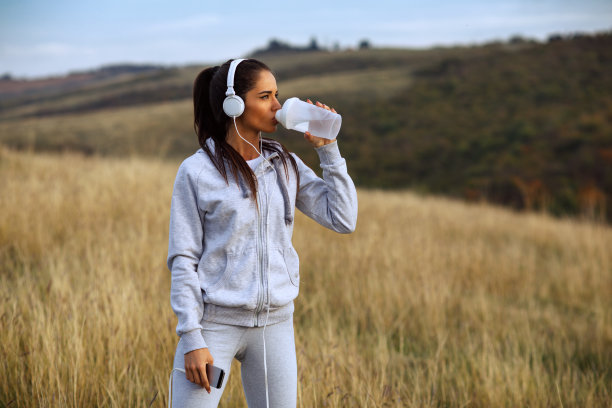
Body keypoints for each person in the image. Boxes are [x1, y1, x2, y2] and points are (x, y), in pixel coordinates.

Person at [167, 58, 358, 407]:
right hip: (214, 327)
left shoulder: (285, 164)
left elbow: (342, 219)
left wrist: (328, 149)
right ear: (234, 105)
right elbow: (183, 258)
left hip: (275, 326)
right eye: (266, 96)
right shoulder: (196, 172)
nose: (278, 106)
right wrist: (192, 338)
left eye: (277, 95)